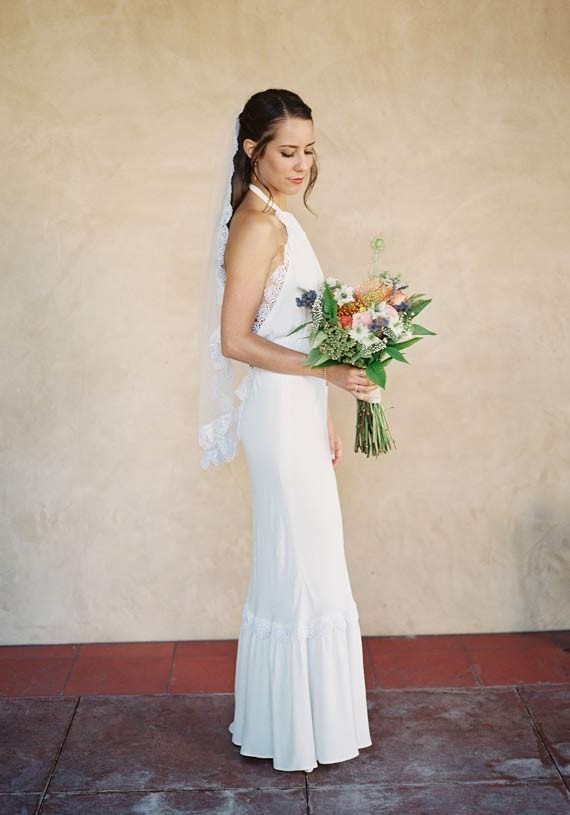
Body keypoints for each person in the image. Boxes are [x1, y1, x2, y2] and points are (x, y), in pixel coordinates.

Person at [199, 89, 378, 773]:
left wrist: (323, 410)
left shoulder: (282, 218)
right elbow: (236, 340)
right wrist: (329, 374)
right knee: (297, 566)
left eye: (309, 150)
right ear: (253, 150)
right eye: (287, 151)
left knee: (311, 562)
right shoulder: (255, 225)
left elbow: (297, 328)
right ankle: (294, 732)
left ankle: (301, 726)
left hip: (298, 410)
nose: (301, 164)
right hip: (275, 413)